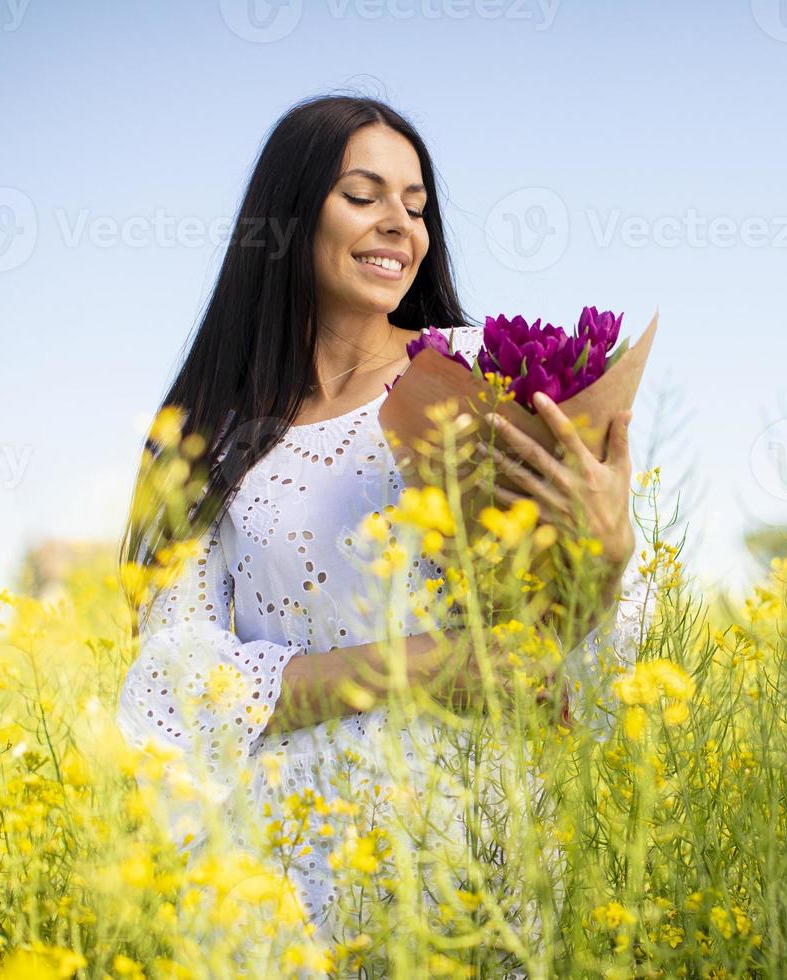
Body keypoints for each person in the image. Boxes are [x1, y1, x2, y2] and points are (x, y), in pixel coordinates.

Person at [112, 94, 653, 968]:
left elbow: (567, 650)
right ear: (288, 218)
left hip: (475, 846)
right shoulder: (214, 434)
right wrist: (423, 665)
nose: (398, 223)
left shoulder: (483, 373)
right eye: (362, 195)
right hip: (291, 872)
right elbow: (180, 689)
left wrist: (611, 551)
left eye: (416, 203)